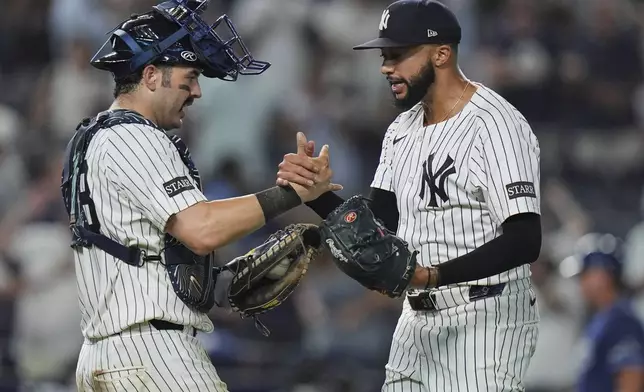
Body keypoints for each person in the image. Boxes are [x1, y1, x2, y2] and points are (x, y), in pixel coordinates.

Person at [60, 1, 340, 390]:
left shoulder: (96, 137)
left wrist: (218, 282)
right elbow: (202, 229)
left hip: (112, 355)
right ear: (152, 74)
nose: (197, 91)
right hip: (152, 356)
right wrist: (291, 194)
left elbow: (145, 251)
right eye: (189, 77)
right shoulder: (135, 136)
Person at [276, 0, 542, 390]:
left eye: (398, 55)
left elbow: (524, 240)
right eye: (385, 56)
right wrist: (315, 196)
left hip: (487, 316)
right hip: (416, 321)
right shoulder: (401, 129)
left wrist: (431, 275)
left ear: (442, 53)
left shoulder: (496, 125)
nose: (386, 67)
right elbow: (379, 225)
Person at [575, 234, 644, 392]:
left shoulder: (622, 322)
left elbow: (631, 379)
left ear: (604, 276)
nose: (581, 282)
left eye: (585, 274)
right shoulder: (600, 318)